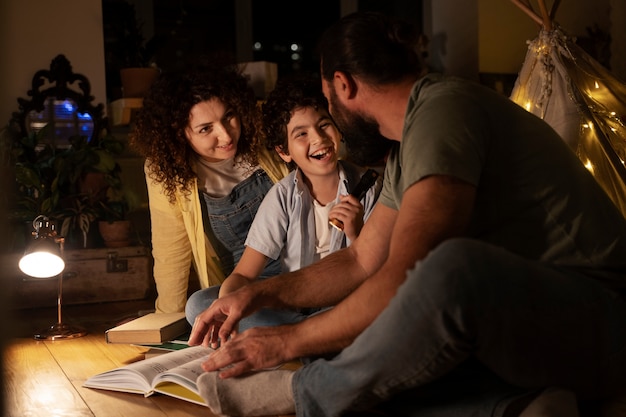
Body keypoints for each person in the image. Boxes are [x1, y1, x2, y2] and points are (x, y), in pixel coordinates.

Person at [189, 11, 626, 417]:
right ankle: (514, 407)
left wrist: (288, 340)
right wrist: (256, 295)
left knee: (450, 267)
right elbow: (362, 260)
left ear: (342, 86)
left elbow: (407, 272)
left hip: (600, 325)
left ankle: (303, 391)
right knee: (384, 365)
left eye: (327, 106)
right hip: (524, 334)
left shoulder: (444, 110)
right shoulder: (404, 146)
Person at [184, 75, 382, 328]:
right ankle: (308, 337)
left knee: (366, 314)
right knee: (200, 304)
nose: (319, 139)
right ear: (283, 152)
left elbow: (378, 270)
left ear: (338, 129)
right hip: (292, 308)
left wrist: (357, 233)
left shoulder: (368, 186)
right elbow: (244, 275)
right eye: (301, 133)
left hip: (346, 303)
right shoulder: (282, 195)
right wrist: (230, 307)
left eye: (324, 125)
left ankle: (306, 337)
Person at [130, 65, 289, 314]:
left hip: (300, 269)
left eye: (228, 117)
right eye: (206, 129)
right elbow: (170, 251)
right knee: (198, 306)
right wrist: (165, 321)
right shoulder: (166, 170)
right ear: (179, 134)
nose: (226, 136)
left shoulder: (263, 137)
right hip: (242, 287)